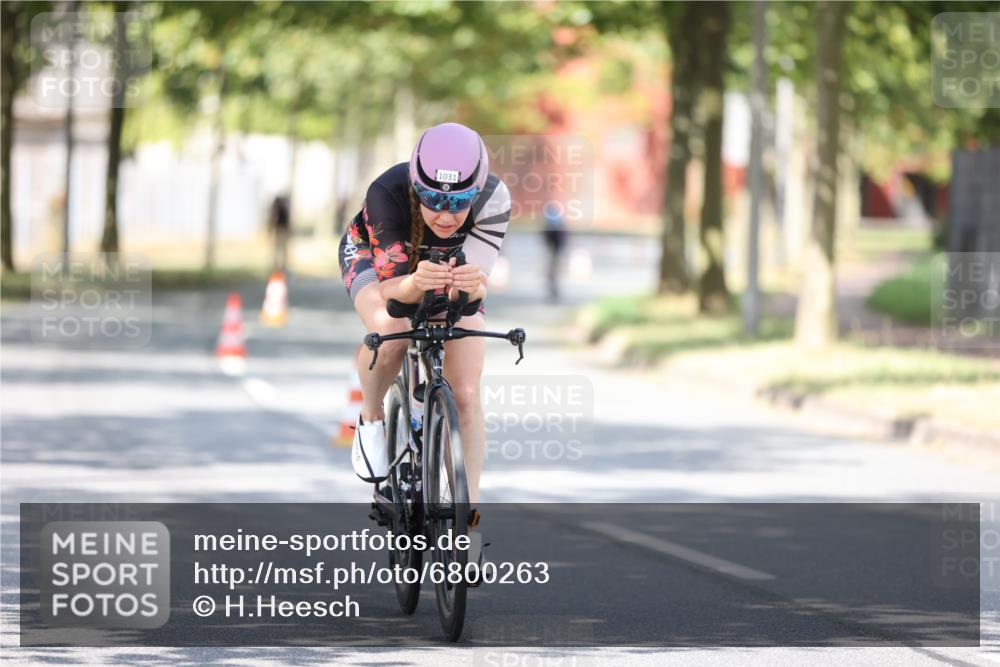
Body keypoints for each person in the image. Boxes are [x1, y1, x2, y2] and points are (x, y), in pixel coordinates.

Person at [338, 123, 511, 512]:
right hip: (375, 258)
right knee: (392, 330)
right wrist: (415, 283)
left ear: (477, 190)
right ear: (417, 187)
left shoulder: (494, 199)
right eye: (433, 200)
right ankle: (370, 416)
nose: (445, 217)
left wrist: (470, 288)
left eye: (459, 202)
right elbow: (391, 292)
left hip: (448, 270)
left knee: (465, 391)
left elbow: (471, 293)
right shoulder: (387, 191)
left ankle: (466, 518)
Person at [541, 201, 567, 301]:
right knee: (553, 273)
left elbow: (546, 237)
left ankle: (553, 291)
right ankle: (553, 291)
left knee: (552, 272)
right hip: (554, 251)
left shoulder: (551, 221)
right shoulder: (557, 221)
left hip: (553, 251)